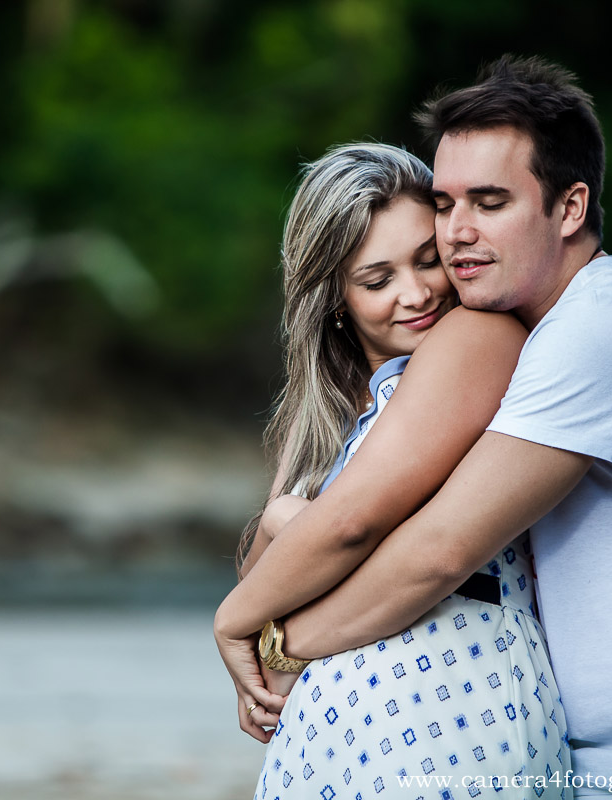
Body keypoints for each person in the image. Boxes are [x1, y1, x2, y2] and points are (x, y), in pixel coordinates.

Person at [216, 56, 612, 798]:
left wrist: (271, 641)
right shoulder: (538, 340)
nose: (458, 234)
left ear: (570, 208)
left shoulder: (606, 327)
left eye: (489, 202)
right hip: (587, 763)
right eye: (446, 204)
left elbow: (437, 551)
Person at [221, 141, 569, 799]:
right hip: (339, 738)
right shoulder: (330, 408)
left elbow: (356, 529)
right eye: (377, 280)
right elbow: (272, 575)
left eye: (428, 260)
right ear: (333, 299)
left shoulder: (477, 336)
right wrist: (283, 521)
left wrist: (233, 621)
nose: (416, 293)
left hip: (453, 709)